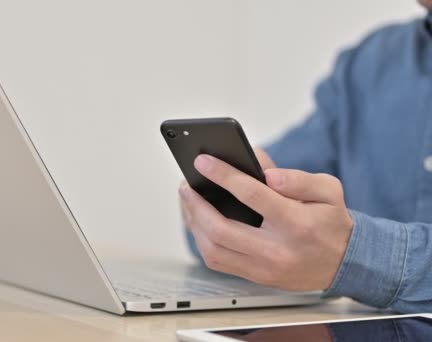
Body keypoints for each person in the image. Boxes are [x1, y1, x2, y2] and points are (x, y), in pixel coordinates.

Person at [180, 2, 432, 314]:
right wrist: (219, 213)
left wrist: (354, 256)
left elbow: (339, 252)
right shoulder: (368, 64)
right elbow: (272, 191)